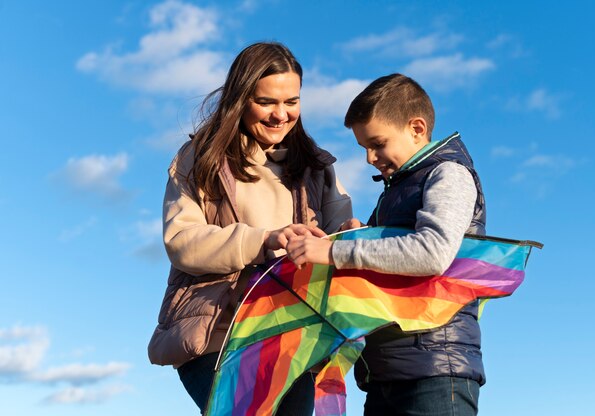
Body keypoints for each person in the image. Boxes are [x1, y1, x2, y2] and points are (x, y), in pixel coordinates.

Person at [147, 42, 353, 415]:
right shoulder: (199, 157)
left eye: (291, 102)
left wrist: (350, 236)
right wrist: (265, 239)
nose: (280, 114)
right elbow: (182, 241)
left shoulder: (317, 167)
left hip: (294, 336)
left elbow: (340, 232)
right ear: (240, 99)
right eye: (266, 102)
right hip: (218, 337)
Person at [286, 73, 487, 416]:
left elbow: (432, 251)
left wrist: (335, 252)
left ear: (417, 129)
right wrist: (359, 234)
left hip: (435, 371)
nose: (369, 158)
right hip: (386, 371)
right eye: (364, 147)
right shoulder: (396, 190)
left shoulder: (448, 174)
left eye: (377, 144)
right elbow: (390, 257)